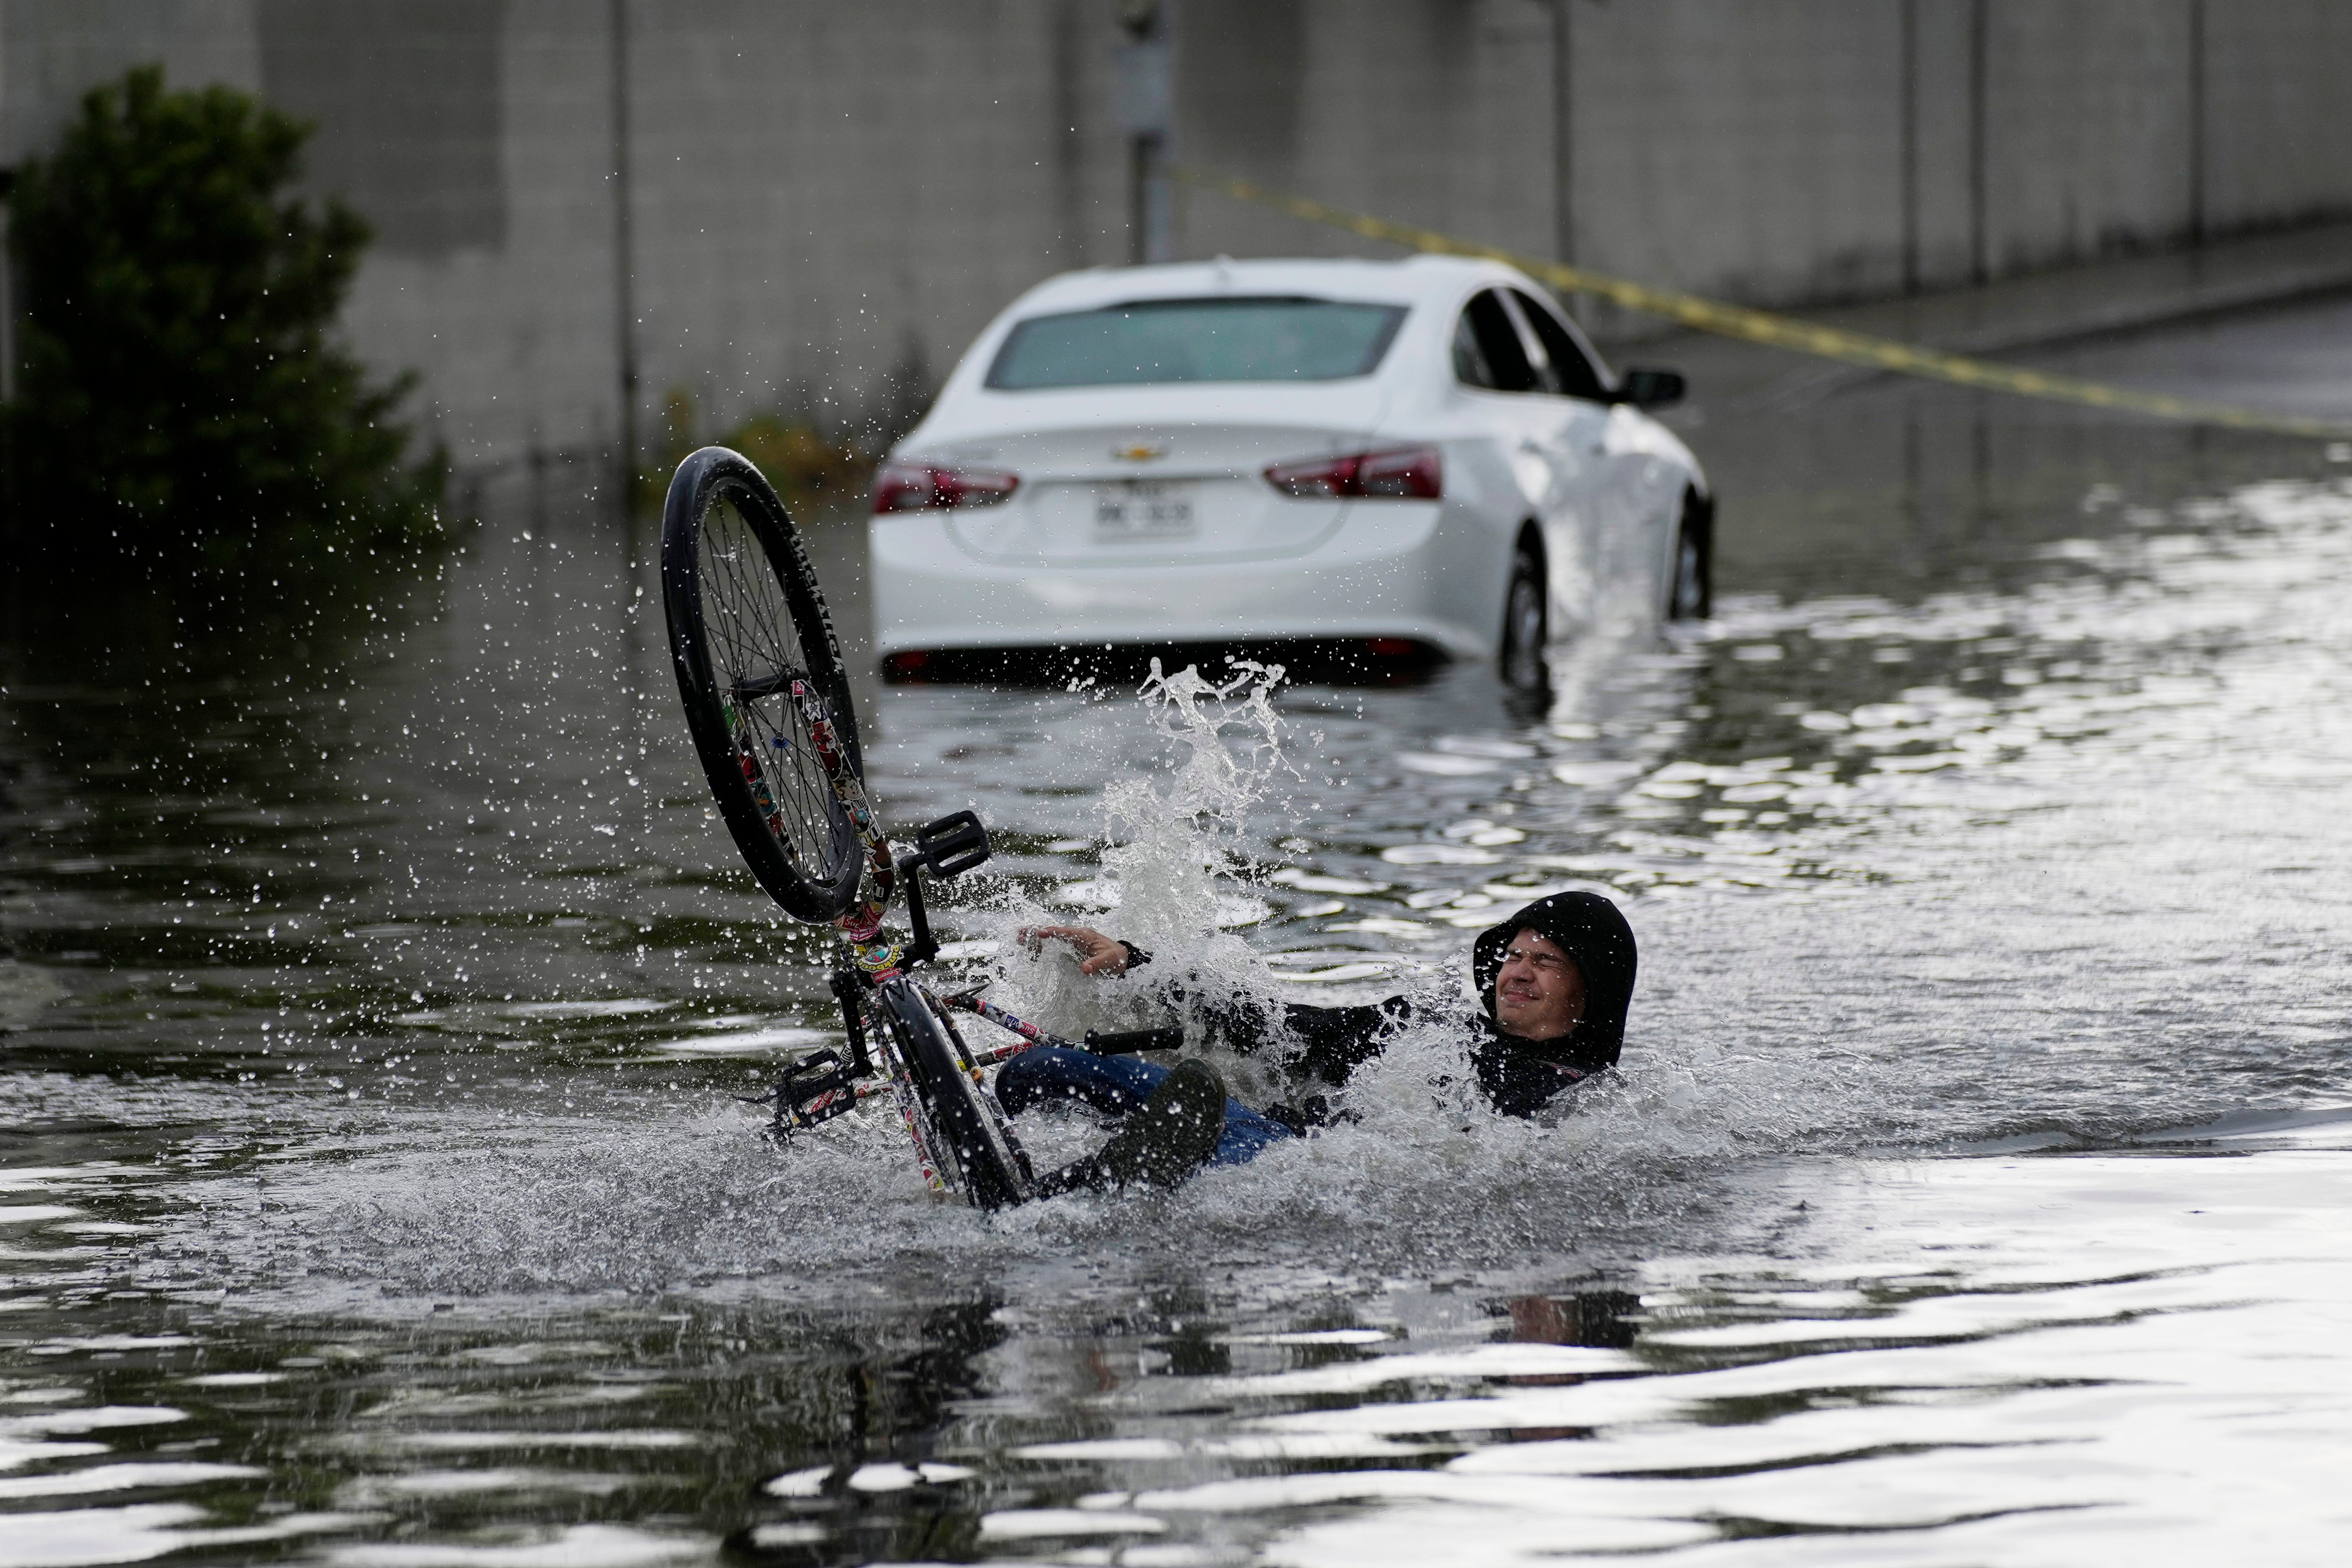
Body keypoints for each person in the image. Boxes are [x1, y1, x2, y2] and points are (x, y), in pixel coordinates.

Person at [999, 890, 1638, 1189]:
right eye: (1515, 955)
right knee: (1038, 1069)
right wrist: (1137, 960)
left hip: (1285, 1165)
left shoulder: (1582, 1106)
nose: (1517, 972)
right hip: (1252, 1126)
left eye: (1547, 963)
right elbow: (1288, 1029)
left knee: (1203, 1138)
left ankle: (1036, 1203)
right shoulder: (1431, 1029)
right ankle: (1004, 1159)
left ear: (1592, 990)